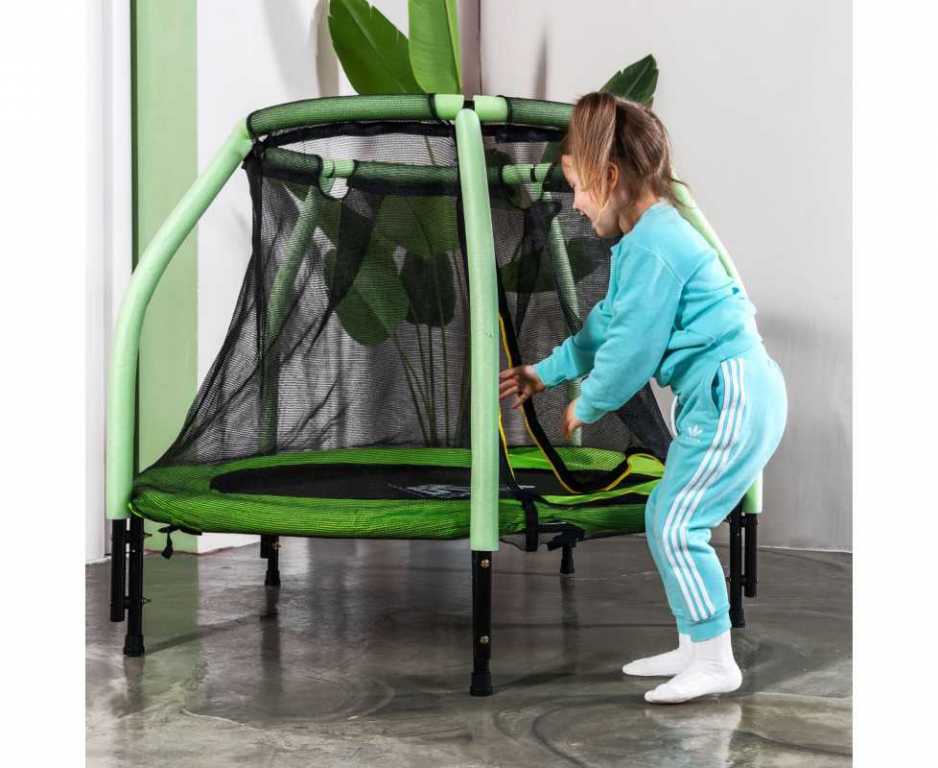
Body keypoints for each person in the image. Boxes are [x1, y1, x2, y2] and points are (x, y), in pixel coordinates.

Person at [498, 92, 787, 704]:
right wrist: (543, 374)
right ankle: (695, 644)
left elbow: (630, 350)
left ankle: (716, 660)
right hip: (719, 394)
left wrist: (588, 403)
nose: (576, 203)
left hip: (734, 392)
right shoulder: (642, 244)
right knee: (666, 516)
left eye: (579, 187)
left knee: (678, 521)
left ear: (610, 177)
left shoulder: (656, 245)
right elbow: (605, 326)